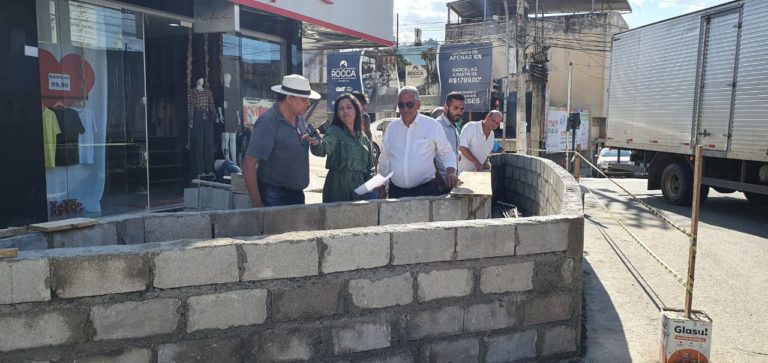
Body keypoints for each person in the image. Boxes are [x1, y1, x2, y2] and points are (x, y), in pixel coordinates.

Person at [242, 74, 320, 207]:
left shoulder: (299, 118)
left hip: (297, 193)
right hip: (274, 194)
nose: (308, 104)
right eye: (304, 100)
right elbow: (249, 164)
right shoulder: (269, 122)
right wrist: (256, 204)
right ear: (289, 98)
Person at [378, 86, 458, 198]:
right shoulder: (392, 128)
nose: (405, 109)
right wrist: (381, 185)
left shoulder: (432, 126)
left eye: (409, 104)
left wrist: (450, 172)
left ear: (418, 104)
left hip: (425, 191)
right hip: (396, 192)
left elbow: (446, 152)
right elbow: (384, 159)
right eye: (401, 105)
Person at [310, 94, 374, 203]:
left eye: (349, 107)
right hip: (338, 187)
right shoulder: (334, 132)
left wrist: (372, 185)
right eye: (340, 108)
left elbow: (370, 167)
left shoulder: (363, 138)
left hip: (361, 189)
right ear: (337, 113)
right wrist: (316, 143)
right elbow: (323, 147)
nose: (345, 111)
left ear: (357, 110)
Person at [434, 92, 465, 192]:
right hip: (440, 185)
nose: (459, 112)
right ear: (446, 108)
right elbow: (428, 158)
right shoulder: (436, 126)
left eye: (461, 109)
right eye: (455, 108)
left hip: (451, 183)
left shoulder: (454, 127)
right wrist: (439, 181)